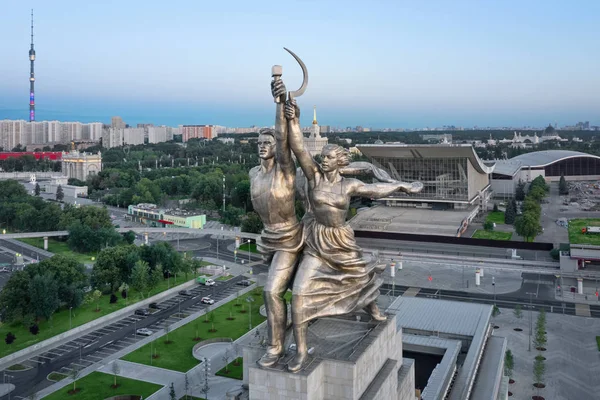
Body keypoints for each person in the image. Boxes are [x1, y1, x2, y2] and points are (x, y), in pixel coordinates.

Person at [284, 99, 423, 372]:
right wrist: (293, 119)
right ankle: (300, 351)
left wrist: (403, 186)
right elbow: (299, 147)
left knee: (360, 275)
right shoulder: (313, 177)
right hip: (317, 239)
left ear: (339, 161)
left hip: (341, 239)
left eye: (327, 157)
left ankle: (372, 309)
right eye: (321, 156)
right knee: (299, 294)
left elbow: (375, 190)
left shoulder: (349, 185)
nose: (322, 160)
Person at [249, 78, 303, 368]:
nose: (263, 146)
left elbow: (285, 140)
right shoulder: (252, 174)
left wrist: (280, 104)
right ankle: (292, 333)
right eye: (259, 143)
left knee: (272, 292)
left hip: (289, 239)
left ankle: (276, 347)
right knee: (285, 292)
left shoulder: (285, 170)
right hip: (267, 240)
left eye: (267, 143)